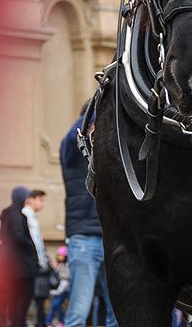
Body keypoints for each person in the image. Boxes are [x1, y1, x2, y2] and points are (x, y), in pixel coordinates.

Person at [60, 112, 118, 327]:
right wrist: (94, 108)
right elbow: (72, 137)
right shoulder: (72, 156)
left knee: (118, 311)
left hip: (110, 240)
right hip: (84, 240)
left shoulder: (107, 155)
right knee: (79, 309)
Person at [0, 185, 38, 327]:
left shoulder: (9, 214)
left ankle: (16, 323)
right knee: (23, 300)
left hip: (15, 267)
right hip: (22, 267)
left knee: (15, 300)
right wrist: (31, 245)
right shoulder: (16, 215)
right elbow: (18, 236)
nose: (28, 199)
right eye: (26, 196)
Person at [23, 190, 50, 325]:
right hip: (33, 264)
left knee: (39, 298)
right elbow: (32, 242)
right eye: (40, 200)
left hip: (38, 264)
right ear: (31, 199)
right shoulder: (26, 215)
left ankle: (39, 323)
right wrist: (38, 261)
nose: (42, 204)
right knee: (32, 298)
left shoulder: (32, 216)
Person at [45, 246, 70, 327]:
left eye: (62, 255)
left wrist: (58, 291)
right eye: (59, 255)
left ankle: (59, 322)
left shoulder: (67, 266)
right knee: (54, 306)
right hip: (56, 290)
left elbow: (65, 281)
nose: (60, 257)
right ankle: (50, 322)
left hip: (64, 290)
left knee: (57, 305)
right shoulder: (58, 266)